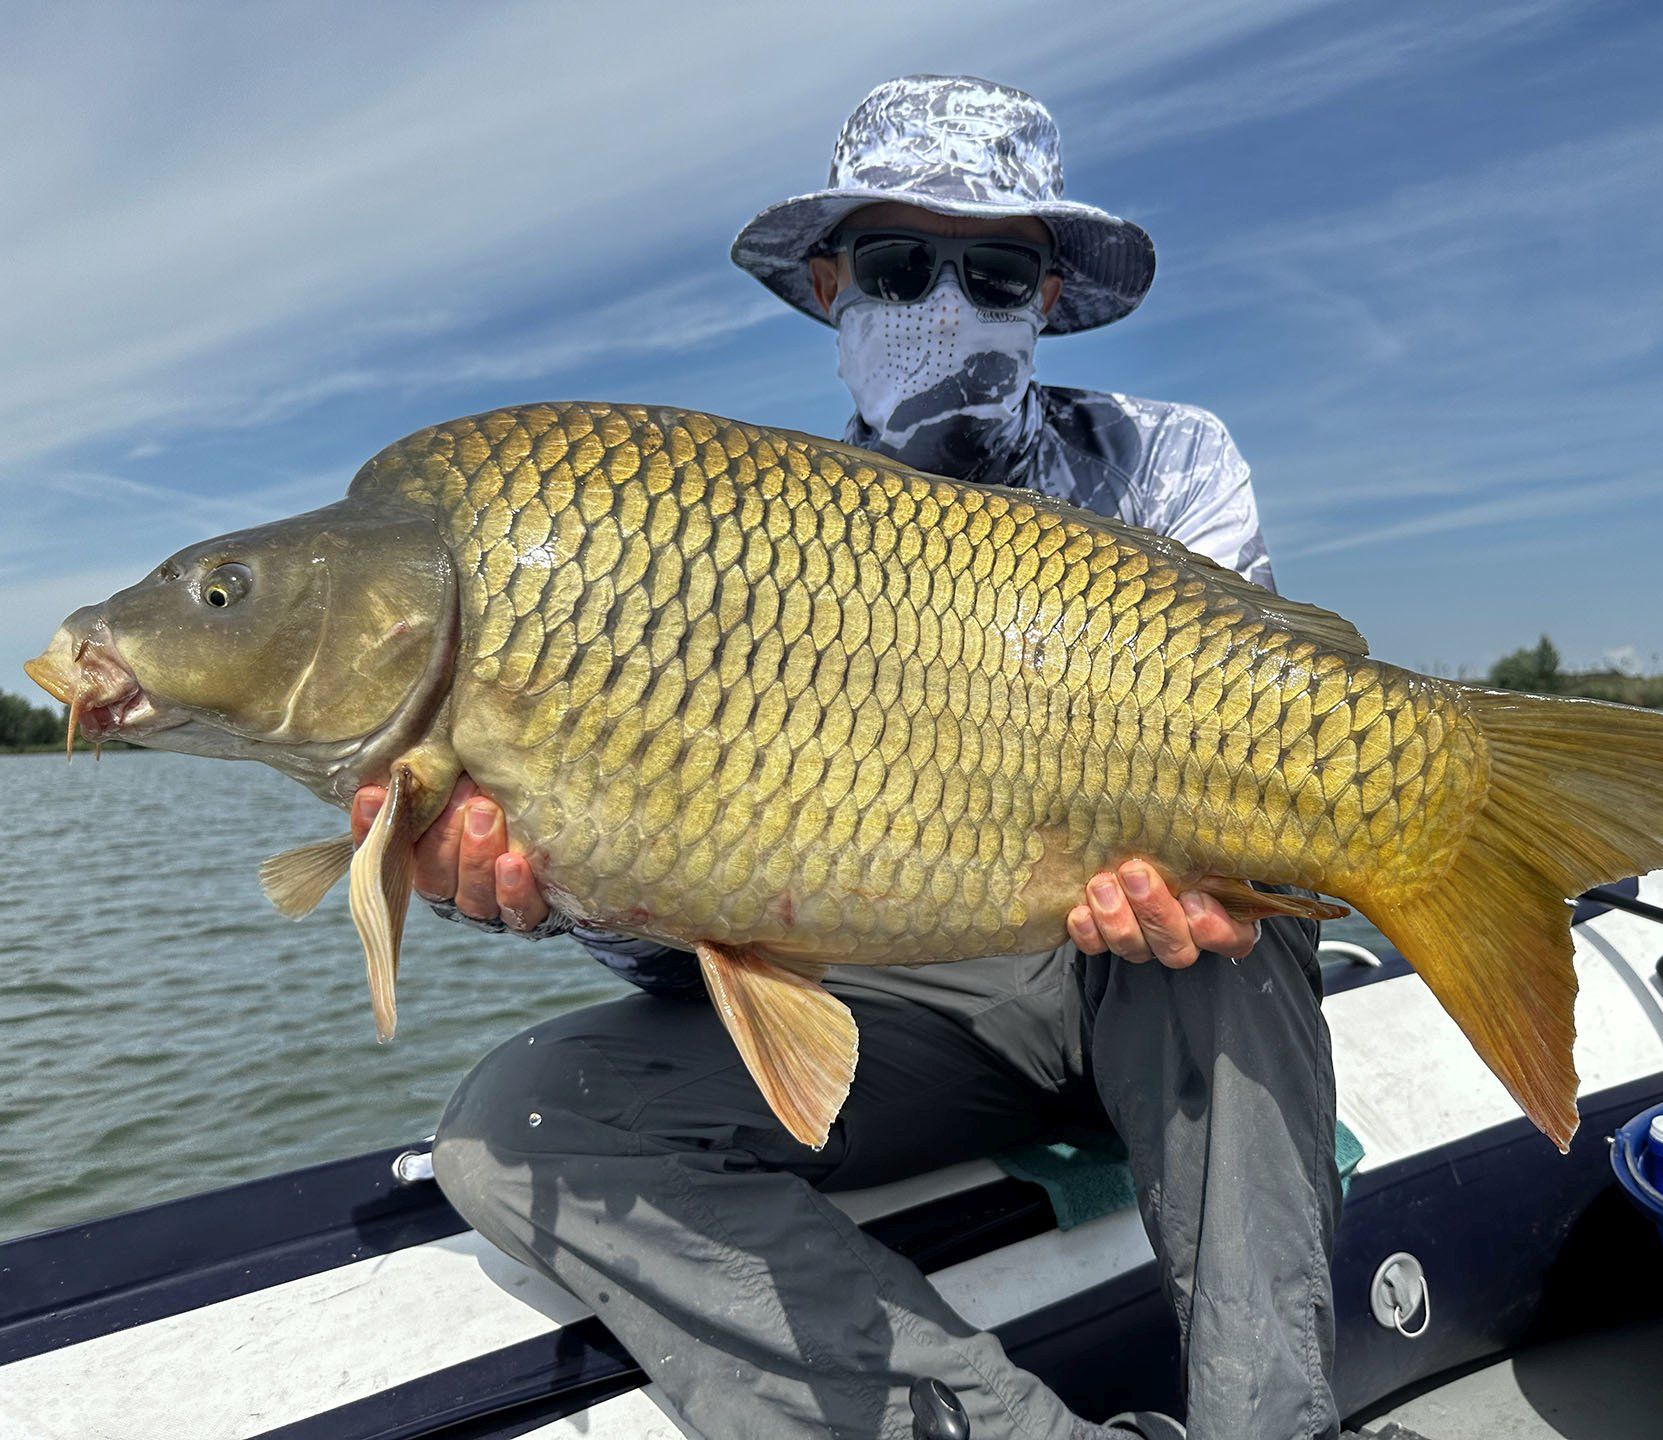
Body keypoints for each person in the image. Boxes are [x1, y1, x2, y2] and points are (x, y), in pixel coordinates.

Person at [355, 75, 1339, 1440]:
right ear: (833, 289)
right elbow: (695, 942)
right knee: (513, 1126)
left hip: (1143, 987)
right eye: (897, 263)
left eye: (995, 270)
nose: (948, 302)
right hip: (914, 1016)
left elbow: (1269, 780)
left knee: (1236, 938)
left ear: (1046, 297)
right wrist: (563, 885)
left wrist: (1207, 881)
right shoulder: (729, 555)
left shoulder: (1166, 463)